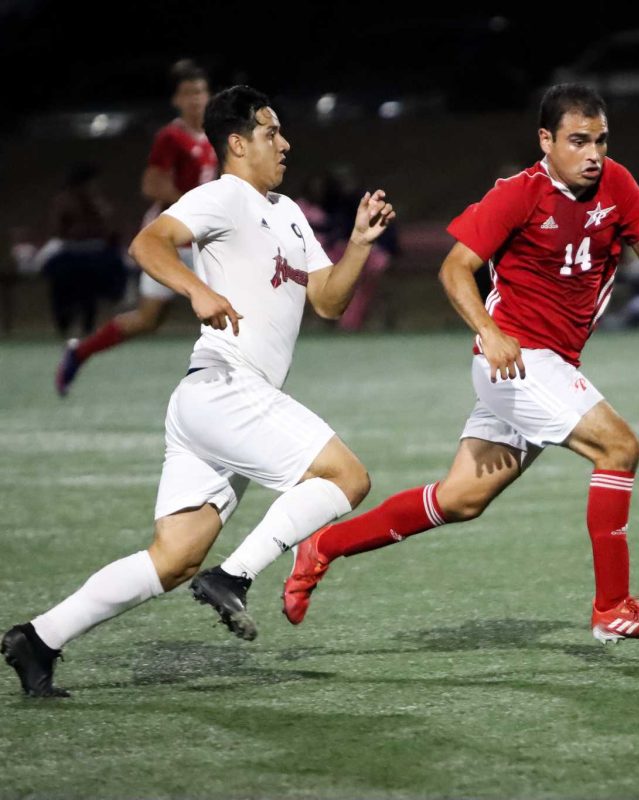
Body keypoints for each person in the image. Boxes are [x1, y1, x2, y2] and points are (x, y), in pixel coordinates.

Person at [282, 84, 639, 643]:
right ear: (546, 140)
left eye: (600, 140)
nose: (593, 153)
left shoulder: (617, 183)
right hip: (518, 360)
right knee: (619, 448)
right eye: (578, 141)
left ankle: (322, 546)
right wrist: (490, 332)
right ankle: (613, 607)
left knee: (460, 499)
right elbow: (455, 269)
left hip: (545, 364)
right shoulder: (517, 194)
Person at [1, 85, 395, 697]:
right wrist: (196, 289)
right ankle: (234, 577)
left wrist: (360, 246)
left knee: (174, 556)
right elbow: (147, 243)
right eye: (271, 132)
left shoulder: (288, 212)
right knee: (347, 478)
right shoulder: (223, 195)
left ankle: (39, 638)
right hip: (226, 386)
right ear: (238, 143)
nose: (285, 143)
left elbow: (328, 301)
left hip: (212, 404)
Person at [55, 59, 218, 397]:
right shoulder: (171, 137)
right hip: (174, 241)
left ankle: (79, 351)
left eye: (200, 92)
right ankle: (219, 391)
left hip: (196, 240)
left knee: (149, 320)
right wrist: (193, 206)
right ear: (176, 100)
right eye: (188, 93)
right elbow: (151, 186)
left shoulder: (212, 134)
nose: (196, 99)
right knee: (221, 308)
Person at [40, 163, 127, 337]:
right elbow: (57, 229)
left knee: (104, 275)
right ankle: (64, 320)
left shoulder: (97, 202)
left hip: (96, 250)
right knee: (61, 277)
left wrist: (99, 213)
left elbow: (110, 227)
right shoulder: (64, 200)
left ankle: (94, 317)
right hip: (71, 251)